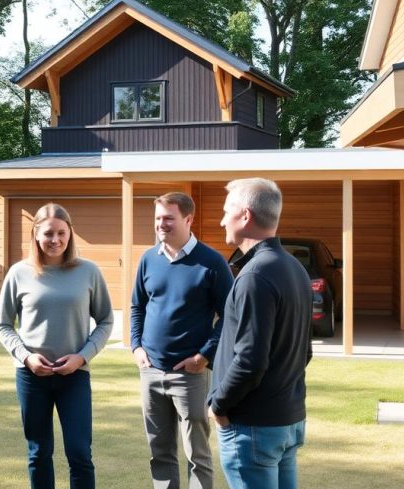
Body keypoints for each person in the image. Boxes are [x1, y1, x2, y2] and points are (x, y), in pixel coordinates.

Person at [0, 203, 114, 489]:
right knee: (38, 453)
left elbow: (106, 320)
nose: (55, 240)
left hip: (74, 376)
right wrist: (26, 358)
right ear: (35, 234)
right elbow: (3, 325)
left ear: (70, 233)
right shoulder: (18, 273)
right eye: (48, 233)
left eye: (62, 233)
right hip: (31, 377)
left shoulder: (88, 272)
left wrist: (82, 357)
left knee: (79, 452)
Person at [209, 178, 313, 489]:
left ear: (245, 216)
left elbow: (250, 360)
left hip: (253, 427)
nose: (222, 219)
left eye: (227, 211)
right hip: (285, 420)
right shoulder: (294, 268)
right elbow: (304, 352)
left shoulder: (255, 275)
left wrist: (218, 406)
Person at [130, 192, 234, 489]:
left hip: (191, 375)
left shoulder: (212, 262)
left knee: (196, 455)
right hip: (150, 371)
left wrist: (203, 357)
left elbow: (230, 316)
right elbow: (137, 306)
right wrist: (136, 345)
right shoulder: (149, 259)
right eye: (158, 218)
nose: (161, 224)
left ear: (189, 219)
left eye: (168, 218)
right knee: (159, 452)